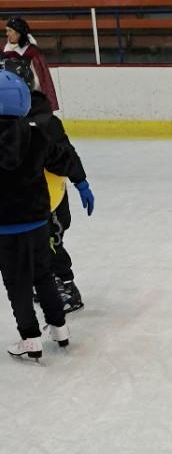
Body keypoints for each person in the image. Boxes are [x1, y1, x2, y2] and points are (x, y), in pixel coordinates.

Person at [0, 56, 94, 313]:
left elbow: (65, 156)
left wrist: (80, 181)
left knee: (51, 246)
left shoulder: (44, 123)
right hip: (28, 202)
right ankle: (47, 283)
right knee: (36, 249)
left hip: (49, 201)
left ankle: (67, 286)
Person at [0, 70, 71, 360]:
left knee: (17, 282)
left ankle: (30, 338)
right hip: (38, 220)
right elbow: (62, 159)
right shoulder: (37, 134)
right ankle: (59, 327)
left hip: (6, 227)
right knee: (43, 274)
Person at [4, 16, 59, 112]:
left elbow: (42, 79)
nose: (7, 34)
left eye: (9, 31)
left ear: (18, 33)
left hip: (31, 98)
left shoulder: (33, 52)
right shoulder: (4, 52)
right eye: (6, 31)